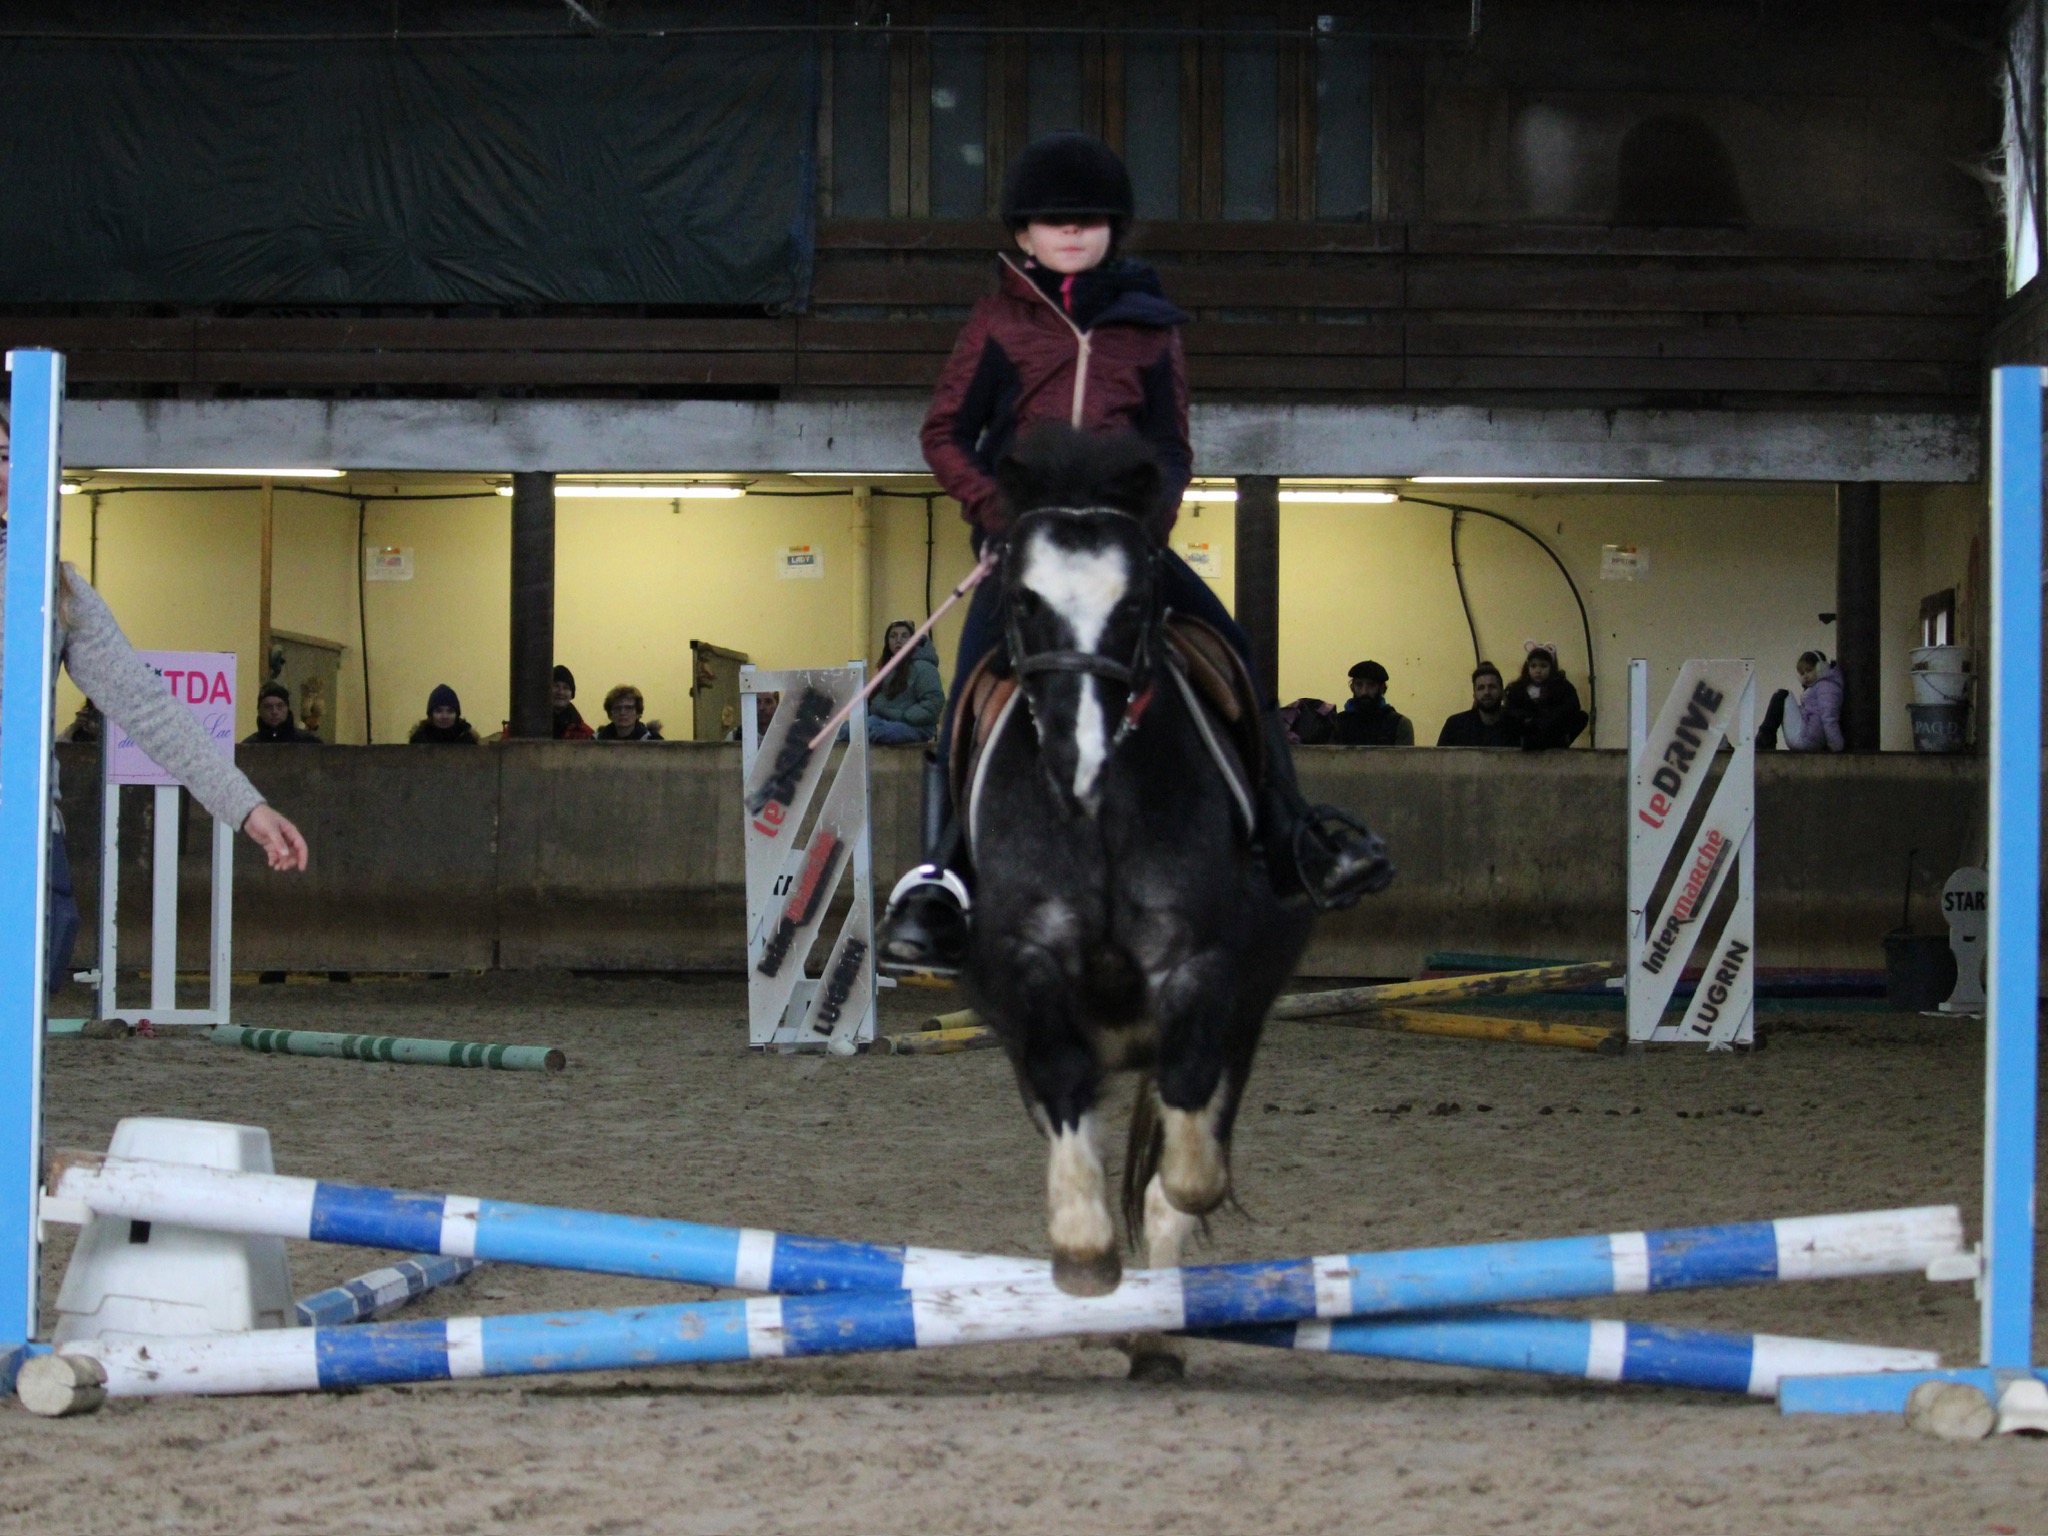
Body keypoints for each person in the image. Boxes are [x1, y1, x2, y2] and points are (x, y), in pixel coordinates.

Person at [878, 132, 1390, 975]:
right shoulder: (999, 322)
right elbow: (944, 432)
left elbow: (1172, 445)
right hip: (1028, 547)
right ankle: (943, 880)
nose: (1071, 232)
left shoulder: (1150, 330)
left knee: (1234, 651)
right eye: (1053, 221)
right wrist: (997, 510)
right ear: (1023, 233)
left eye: (1089, 220)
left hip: (1125, 543)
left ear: (1114, 228)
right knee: (969, 687)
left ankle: (1295, 833)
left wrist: (1144, 529)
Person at [2, 425, 309, 992]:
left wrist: (245, 807)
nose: (1, 473)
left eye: (6, 457)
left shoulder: (60, 590)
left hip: (26, 836)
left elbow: (147, 706)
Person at [868, 619, 944, 746]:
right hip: (884, 721)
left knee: (883, 732)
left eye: (904, 636)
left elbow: (933, 702)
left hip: (916, 726)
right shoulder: (888, 668)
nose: (898, 640)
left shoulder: (924, 668)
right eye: (893, 636)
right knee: (847, 730)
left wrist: (905, 716)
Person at [1503, 644, 1589, 751]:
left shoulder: (1562, 687)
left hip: (1553, 729)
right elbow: (1511, 710)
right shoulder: (1517, 689)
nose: (1538, 671)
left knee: (1582, 717)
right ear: (1527, 667)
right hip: (1528, 730)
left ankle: (1560, 741)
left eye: (1543, 666)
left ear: (1551, 668)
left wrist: (1548, 719)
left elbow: (1572, 706)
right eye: (1533, 666)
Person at [1760, 650, 1845, 752]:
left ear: (1821, 667)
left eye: (1809, 670)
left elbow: (1829, 716)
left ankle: (1764, 740)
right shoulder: (1822, 687)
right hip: (1809, 738)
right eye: (1802, 673)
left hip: (1806, 739)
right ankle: (1764, 739)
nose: (1805, 676)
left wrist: (1836, 745)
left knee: (1782, 695)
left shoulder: (1826, 687)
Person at [1437, 662, 1520, 747]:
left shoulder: (1518, 726)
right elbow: (1438, 758)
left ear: (1502, 693)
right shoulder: (1455, 726)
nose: (1487, 692)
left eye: (1492, 686)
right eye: (1481, 688)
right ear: (1474, 695)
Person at [1332, 660, 1415, 746]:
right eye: (1359, 685)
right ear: (1352, 687)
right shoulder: (1338, 723)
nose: (1364, 692)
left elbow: (1404, 758)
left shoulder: (1399, 724)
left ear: (1382, 688)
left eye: (1371, 685)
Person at [242, 681, 321, 744]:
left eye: (280, 706)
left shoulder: (308, 742)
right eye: (268, 707)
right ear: (259, 711)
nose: (274, 711)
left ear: (287, 709)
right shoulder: (248, 746)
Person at [408, 683, 480, 744]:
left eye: (450, 711)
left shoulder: (468, 740)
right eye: (439, 711)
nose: (445, 716)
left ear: (457, 715)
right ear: (431, 714)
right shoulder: (419, 740)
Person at [594, 683, 663, 741]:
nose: (622, 712)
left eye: (628, 708)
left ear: (638, 712)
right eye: (617, 708)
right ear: (610, 714)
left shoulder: (652, 740)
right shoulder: (597, 740)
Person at [551, 664, 594, 740]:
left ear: (571, 695)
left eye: (566, 688)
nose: (560, 692)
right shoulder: (531, 727)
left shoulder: (585, 734)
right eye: (556, 686)